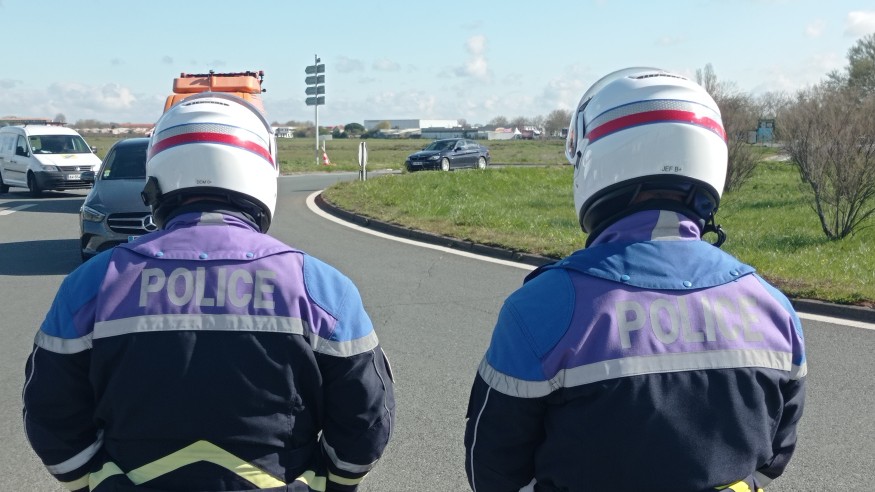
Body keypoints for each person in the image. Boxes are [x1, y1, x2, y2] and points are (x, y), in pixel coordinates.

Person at [23, 93, 395, 492]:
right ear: (261, 175)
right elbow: (365, 419)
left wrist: (95, 483)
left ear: (156, 184)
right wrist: (333, 484)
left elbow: (50, 414)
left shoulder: (92, 282)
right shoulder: (322, 287)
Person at [464, 67, 806, 492]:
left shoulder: (539, 308)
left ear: (597, 160)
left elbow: (492, 471)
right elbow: (773, 457)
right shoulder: (774, 308)